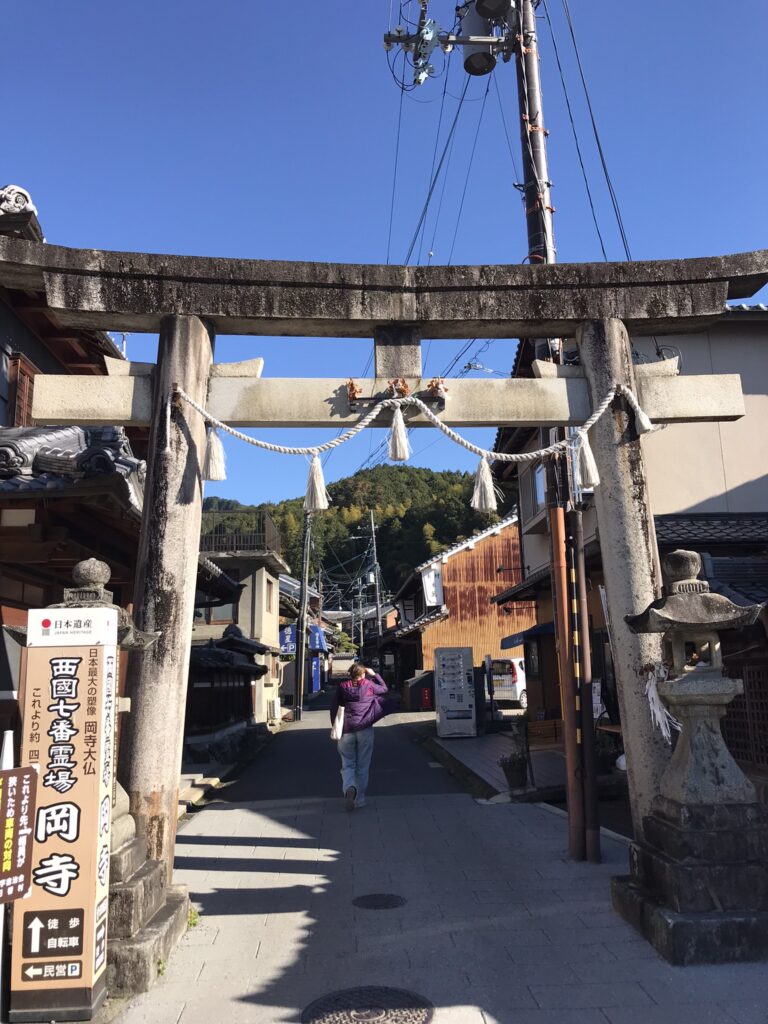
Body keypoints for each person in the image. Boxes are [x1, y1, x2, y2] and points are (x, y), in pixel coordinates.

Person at [329, 663, 388, 810]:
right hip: (365, 729)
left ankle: (350, 787)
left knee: (347, 763)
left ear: (350, 674)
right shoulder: (369, 685)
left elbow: (334, 706)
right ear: (363, 674)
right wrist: (374, 675)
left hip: (347, 729)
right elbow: (384, 689)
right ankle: (359, 800)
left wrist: (335, 725)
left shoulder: (343, 687)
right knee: (363, 765)